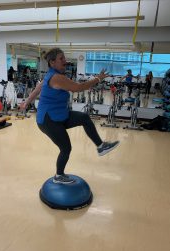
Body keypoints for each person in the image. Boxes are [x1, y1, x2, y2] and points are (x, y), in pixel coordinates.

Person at [19, 48, 119, 184]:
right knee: (66, 148)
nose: (65, 61)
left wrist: (26, 102)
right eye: (61, 59)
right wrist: (97, 78)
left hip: (59, 115)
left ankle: (101, 146)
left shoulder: (51, 75)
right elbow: (78, 87)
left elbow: (37, 90)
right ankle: (59, 176)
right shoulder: (56, 77)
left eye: (64, 58)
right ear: (52, 62)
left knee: (84, 117)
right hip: (48, 120)